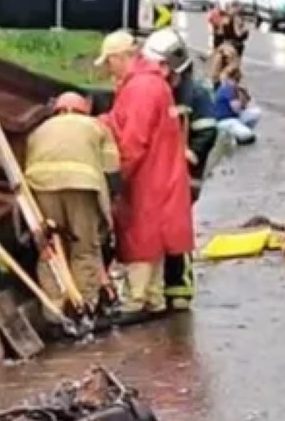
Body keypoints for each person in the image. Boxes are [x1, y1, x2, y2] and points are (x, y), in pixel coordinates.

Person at [98, 28, 194, 314]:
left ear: (121, 58)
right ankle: (152, 296)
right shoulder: (152, 84)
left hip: (147, 179)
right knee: (155, 236)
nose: (107, 69)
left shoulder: (140, 88)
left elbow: (133, 140)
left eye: (109, 62)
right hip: (163, 175)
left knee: (140, 234)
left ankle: (137, 298)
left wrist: (116, 177)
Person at [23, 92, 122, 313]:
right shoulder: (96, 127)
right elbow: (112, 169)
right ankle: (85, 306)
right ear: (84, 109)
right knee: (84, 247)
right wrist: (111, 203)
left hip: (41, 188)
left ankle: (55, 310)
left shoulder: (39, 130)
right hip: (82, 188)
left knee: (50, 249)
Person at [158, 29, 219, 310]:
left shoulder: (195, 94)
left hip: (185, 176)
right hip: (163, 175)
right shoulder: (162, 92)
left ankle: (179, 286)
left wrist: (190, 155)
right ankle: (162, 286)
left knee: (177, 230)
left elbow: (207, 132)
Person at [213, 65, 260, 145]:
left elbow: (248, 105)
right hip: (225, 120)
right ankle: (233, 137)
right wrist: (241, 100)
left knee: (256, 112)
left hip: (233, 117)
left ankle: (240, 131)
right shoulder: (228, 89)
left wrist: (244, 97)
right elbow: (236, 109)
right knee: (247, 135)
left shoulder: (233, 88)